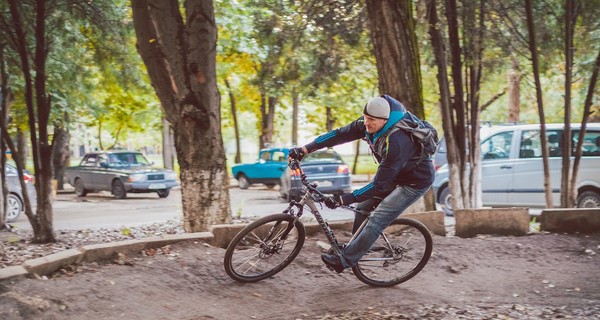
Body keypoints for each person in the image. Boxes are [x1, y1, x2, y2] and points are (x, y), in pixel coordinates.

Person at [288, 95, 435, 273]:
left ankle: (345, 261)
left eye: (371, 120)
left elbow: (378, 185)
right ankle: (357, 248)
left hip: (414, 182)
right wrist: (305, 149)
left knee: (376, 219)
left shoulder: (398, 141)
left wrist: (343, 199)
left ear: (384, 120)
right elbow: (339, 134)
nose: (366, 123)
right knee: (363, 206)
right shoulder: (368, 124)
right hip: (396, 175)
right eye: (365, 118)